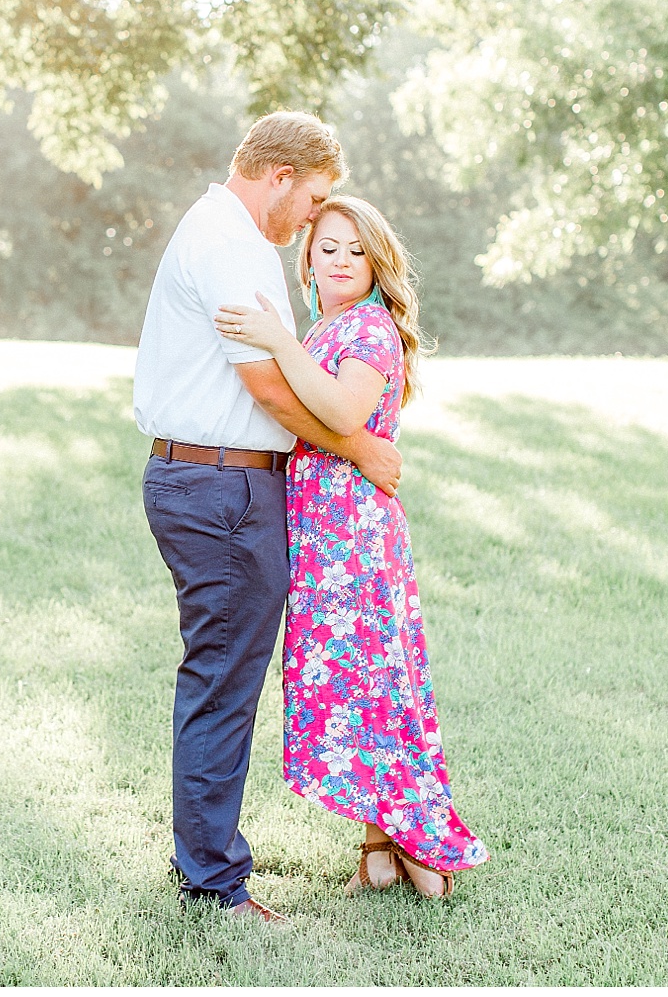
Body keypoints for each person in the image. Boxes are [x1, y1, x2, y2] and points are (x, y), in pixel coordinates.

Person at [134, 113, 402, 924]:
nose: (310, 220)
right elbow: (269, 388)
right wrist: (361, 447)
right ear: (280, 177)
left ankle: (207, 866)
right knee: (221, 679)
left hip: (230, 485)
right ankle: (214, 884)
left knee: (226, 675)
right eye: (314, 197)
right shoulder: (227, 242)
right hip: (217, 489)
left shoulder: (236, 238)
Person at [213, 195, 488, 900]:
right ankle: (377, 845)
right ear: (307, 255)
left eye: (355, 250)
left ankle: (420, 842)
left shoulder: (368, 329)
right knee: (353, 684)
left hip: (354, 537)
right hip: (320, 530)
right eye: (327, 246)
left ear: (377, 265)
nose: (339, 259)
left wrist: (276, 342)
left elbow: (339, 412)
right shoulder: (327, 325)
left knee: (379, 683)